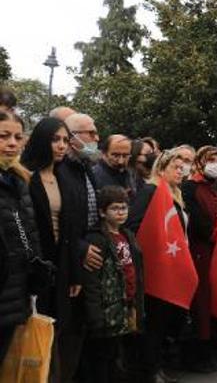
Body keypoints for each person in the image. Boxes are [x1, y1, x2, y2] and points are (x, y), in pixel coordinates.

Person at [20, 117, 83, 379]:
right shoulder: (24, 175)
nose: (61, 146)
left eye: (66, 140)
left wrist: (74, 273)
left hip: (62, 267)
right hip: (33, 269)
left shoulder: (64, 177)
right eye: (55, 139)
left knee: (57, 333)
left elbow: (72, 230)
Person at [127, 148, 188, 383]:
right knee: (154, 320)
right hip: (155, 266)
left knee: (164, 320)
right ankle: (149, 371)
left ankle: (156, 366)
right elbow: (134, 224)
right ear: (161, 170)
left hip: (172, 265)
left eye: (183, 167)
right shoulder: (151, 191)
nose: (180, 171)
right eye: (175, 167)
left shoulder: (175, 193)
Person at [82, 186, 144, 383]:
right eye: (115, 208)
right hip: (106, 309)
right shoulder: (97, 239)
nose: (120, 212)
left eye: (124, 208)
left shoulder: (128, 235)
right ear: (102, 212)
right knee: (103, 356)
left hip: (127, 303)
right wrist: (95, 315)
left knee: (120, 353)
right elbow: (91, 281)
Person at [59, 112, 103, 379]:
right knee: (68, 333)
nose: (96, 138)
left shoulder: (85, 167)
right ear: (72, 137)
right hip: (71, 260)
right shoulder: (60, 170)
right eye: (91, 133)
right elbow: (59, 220)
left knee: (84, 330)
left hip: (89, 254)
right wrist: (80, 248)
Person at [0, 110, 42, 364]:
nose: (12, 143)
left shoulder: (19, 180)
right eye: (3, 136)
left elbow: (28, 232)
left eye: (18, 137)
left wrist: (36, 269)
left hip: (14, 293)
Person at [180, 145, 217, 370]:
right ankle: (196, 355)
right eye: (210, 159)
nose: (215, 163)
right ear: (199, 161)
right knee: (200, 301)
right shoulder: (190, 187)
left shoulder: (215, 188)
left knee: (210, 300)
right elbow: (196, 219)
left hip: (215, 251)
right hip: (199, 249)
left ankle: (207, 351)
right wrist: (214, 234)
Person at [93, 134, 137, 201]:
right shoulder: (93, 176)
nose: (121, 161)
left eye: (125, 156)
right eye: (115, 155)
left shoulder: (130, 174)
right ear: (104, 153)